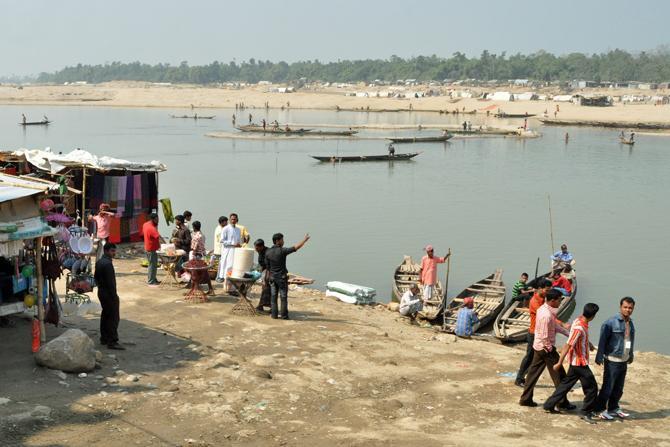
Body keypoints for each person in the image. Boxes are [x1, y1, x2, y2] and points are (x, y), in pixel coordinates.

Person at [544, 303, 600, 423]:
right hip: (579, 363)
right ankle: (586, 412)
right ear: (593, 316)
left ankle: (549, 405)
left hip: (576, 362)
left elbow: (578, 337)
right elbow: (568, 344)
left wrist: (588, 343)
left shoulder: (579, 320)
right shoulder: (579, 328)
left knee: (565, 385)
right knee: (592, 388)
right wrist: (559, 362)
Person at [519, 289, 575, 410]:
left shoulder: (544, 309)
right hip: (545, 348)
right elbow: (545, 336)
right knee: (559, 375)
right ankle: (562, 402)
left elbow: (554, 326)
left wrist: (567, 334)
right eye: (559, 300)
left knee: (533, 374)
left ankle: (526, 399)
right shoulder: (546, 315)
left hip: (538, 346)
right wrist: (550, 350)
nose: (560, 302)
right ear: (553, 300)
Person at [594, 297, 636, 420]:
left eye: (630, 308)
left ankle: (613, 408)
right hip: (612, 359)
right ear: (620, 307)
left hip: (624, 359)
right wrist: (599, 355)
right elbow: (602, 340)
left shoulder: (630, 322)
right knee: (608, 387)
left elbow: (630, 340)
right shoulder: (610, 322)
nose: (628, 310)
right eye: (625, 307)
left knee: (619, 387)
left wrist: (631, 354)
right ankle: (599, 409)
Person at [515, 278, 552, 387]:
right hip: (534, 333)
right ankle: (519, 378)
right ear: (540, 289)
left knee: (536, 358)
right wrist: (561, 324)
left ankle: (526, 377)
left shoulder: (545, 299)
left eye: (549, 290)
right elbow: (545, 314)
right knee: (529, 357)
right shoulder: (534, 301)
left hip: (541, 333)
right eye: (546, 290)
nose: (548, 292)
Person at [265, 233, 310, 319]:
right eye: (282, 240)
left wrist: (268, 278)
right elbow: (295, 248)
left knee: (273, 297)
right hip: (281, 278)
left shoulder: (268, 252)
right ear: (277, 241)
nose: (283, 241)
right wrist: (304, 240)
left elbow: (267, 267)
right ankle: (284, 316)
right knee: (283, 297)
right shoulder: (282, 251)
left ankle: (274, 315)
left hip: (272, 278)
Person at [94, 243, 124, 350]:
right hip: (108, 293)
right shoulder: (107, 264)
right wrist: (114, 296)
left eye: (114, 251)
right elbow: (111, 283)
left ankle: (104, 338)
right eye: (112, 251)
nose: (114, 253)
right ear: (106, 251)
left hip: (101, 292)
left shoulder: (99, 262)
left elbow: (96, 278)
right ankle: (112, 341)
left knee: (106, 315)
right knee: (113, 317)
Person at [217, 213, 242, 291]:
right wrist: (233, 244)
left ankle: (232, 286)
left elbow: (239, 241)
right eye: (232, 219)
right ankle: (226, 286)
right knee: (228, 267)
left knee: (235, 267)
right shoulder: (226, 228)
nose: (233, 220)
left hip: (236, 251)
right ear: (230, 220)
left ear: (237, 220)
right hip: (228, 251)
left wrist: (239, 245)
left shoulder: (238, 229)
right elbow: (222, 241)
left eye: (235, 219)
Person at [142, 213, 162, 286]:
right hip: (151, 249)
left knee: (152, 265)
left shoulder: (145, 224)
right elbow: (158, 237)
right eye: (157, 219)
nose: (158, 221)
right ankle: (151, 281)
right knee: (152, 265)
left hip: (148, 247)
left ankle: (153, 279)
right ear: (153, 219)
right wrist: (166, 245)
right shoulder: (152, 228)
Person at [254, 239, 271, 312]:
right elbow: (261, 265)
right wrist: (256, 272)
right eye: (255, 248)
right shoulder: (260, 252)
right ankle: (263, 306)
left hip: (270, 272)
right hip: (266, 272)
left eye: (257, 248)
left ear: (262, 246)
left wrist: (264, 277)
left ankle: (264, 306)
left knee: (267, 289)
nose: (255, 249)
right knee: (265, 289)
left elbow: (268, 265)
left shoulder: (268, 252)